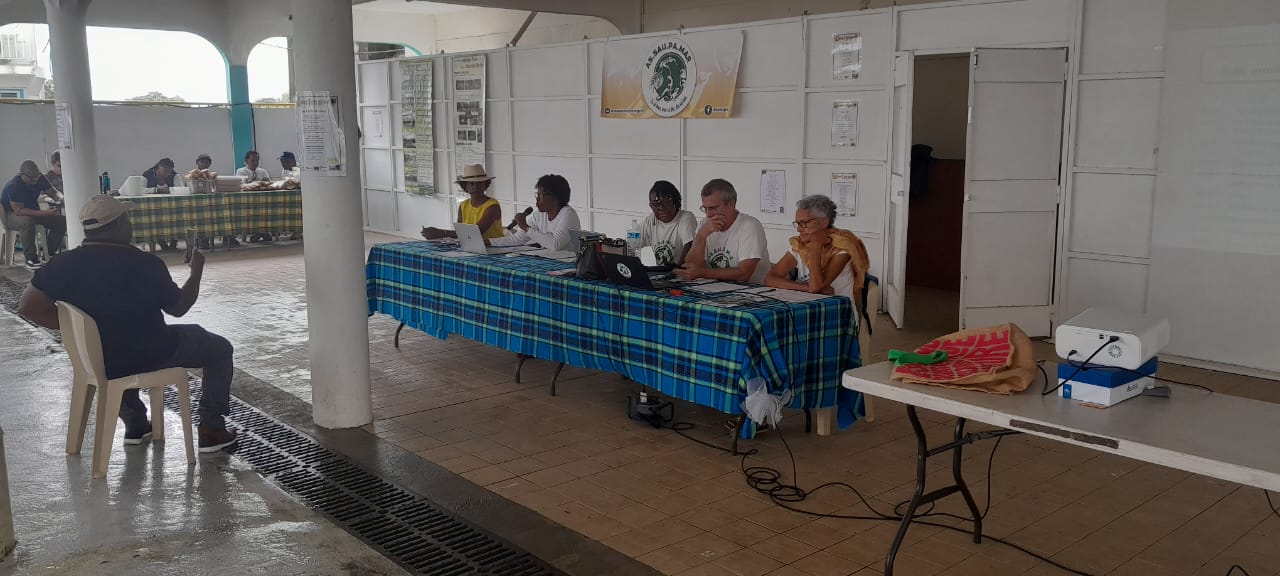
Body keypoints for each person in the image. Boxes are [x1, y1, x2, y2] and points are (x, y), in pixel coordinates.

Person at [17, 195, 238, 453]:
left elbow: (28, 307)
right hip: (150, 353)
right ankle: (211, 428)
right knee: (220, 349)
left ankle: (136, 423)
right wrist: (196, 274)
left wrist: (84, 331)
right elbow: (179, 308)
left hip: (99, 357)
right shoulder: (145, 264)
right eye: (127, 219)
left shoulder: (62, 264)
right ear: (120, 225)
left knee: (119, 349)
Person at [765, 194, 870, 303]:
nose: (799, 229)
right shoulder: (800, 245)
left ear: (824, 222)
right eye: (797, 224)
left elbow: (816, 287)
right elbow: (770, 278)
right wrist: (805, 287)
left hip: (838, 308)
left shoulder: (842, 246)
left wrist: (816, 245)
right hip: (807, 305)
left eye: (804, 223)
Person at [677, 178, 770, 284]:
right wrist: (701, 236)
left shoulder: (749, 226)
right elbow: (690, 267)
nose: (708, 214)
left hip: (752, 290)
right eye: (705, 208)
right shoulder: (704, 224)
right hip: (714, 288)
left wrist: (702, 273)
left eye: (713, 208)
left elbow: (744, 274)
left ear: (731, 204)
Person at [2, 160, 67, 269]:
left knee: (61, 221)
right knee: (27, 221)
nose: (35, 180)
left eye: (36, 177)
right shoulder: (14, 185)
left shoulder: (40, 178)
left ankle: (49, 254)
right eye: (32, 178)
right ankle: (31, 259)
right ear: (22, 175)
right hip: (11, 214)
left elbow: (54, 192)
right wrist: (45, 213)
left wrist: (61, 198)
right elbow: (19, 211)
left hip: (32, 211)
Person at [490, 174, 579, 251]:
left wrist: (526, 227)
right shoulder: (538, 215)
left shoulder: (568, 214)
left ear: (556, 197)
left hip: (569, 263)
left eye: (541, 195)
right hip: (548, 260)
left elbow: (556, 244)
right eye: (537, 194)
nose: (537, 198)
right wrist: (489, 242)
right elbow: (517, 239)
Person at [420, 164, 503, 240]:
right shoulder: (463, 205)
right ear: (465, 187)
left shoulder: (492, 206)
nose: (476, 187)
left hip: (492, 247)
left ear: (485, 185)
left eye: (479, 183)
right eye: (471, 184)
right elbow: (461, 232)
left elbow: (476, 232)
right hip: (471, 246)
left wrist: (441, 233)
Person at [639, 180, 698, 266]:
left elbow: (690, 245)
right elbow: (630, 244)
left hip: (682, 272)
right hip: (662, 273)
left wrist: (678, 270)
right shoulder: (650, 221)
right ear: (651, 206)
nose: (661, 208)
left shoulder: (685, 217)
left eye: (665, 203)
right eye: (655, 205)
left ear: (675, 202)